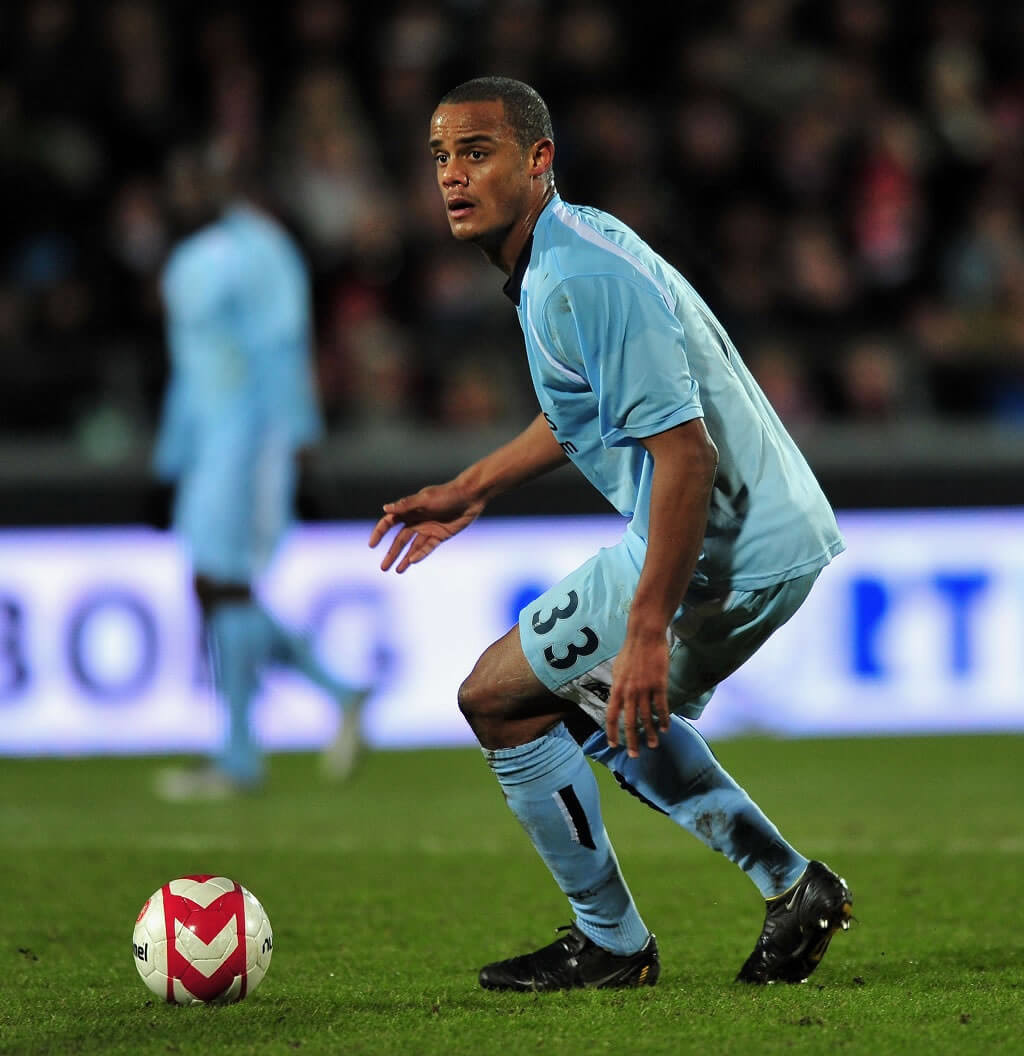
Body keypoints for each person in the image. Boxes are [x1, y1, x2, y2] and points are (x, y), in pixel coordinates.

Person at [370, 77, 852, 990]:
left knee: (501, 700)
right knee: (609, 723)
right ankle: (792, 887)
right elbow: (585, 412)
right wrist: (470, 486)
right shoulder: (561, 253)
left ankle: (615, 944)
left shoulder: (578, 277)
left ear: (539, 159)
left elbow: (685, 454)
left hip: (724, 546)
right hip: (751, 538)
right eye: (440, 156)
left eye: (477, 151)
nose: (452, 176)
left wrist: (641, 633)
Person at [152, 141, 370, 800]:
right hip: (213, 444)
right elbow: (191, 364)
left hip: (252, 439)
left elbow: (281, 348)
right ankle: (335, 695)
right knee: (214, 585)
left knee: (227, 583)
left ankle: (241, 757)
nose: (185, 190)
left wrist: (299, 438)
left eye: (199, 178)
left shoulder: (260, 251)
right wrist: (171, 458)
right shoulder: (195, 255)